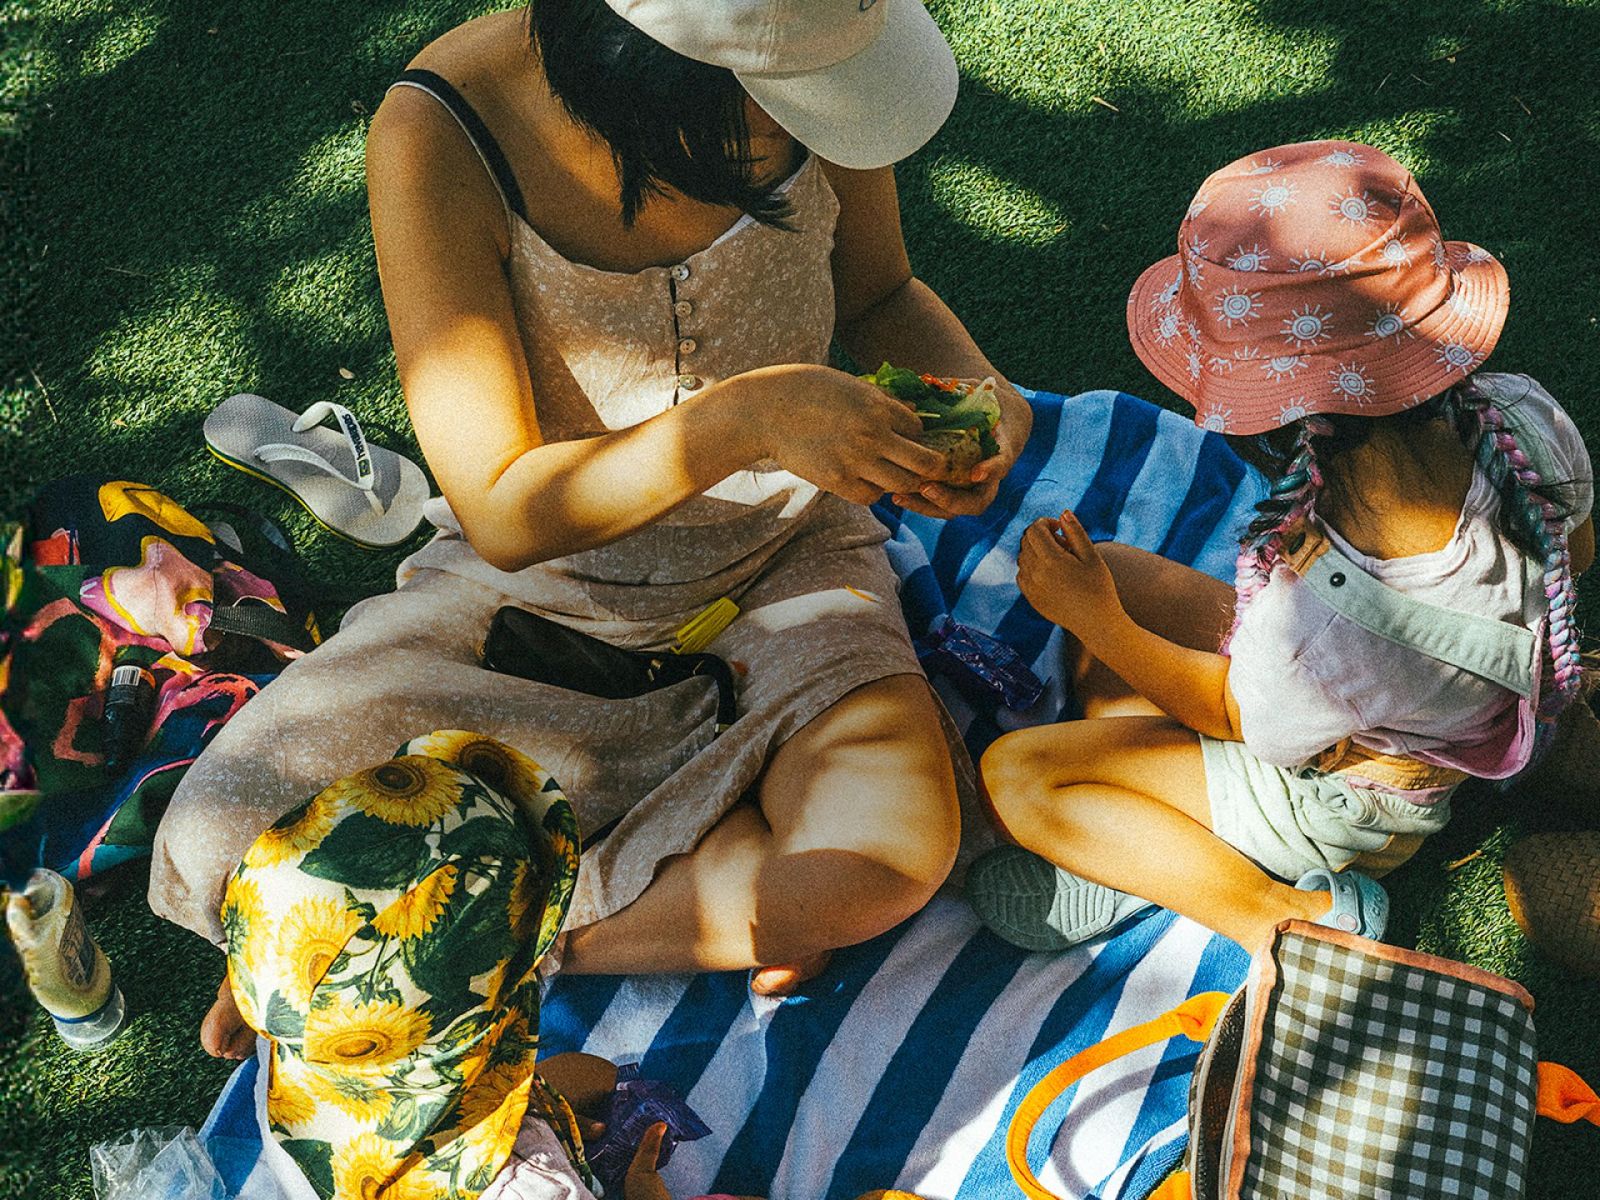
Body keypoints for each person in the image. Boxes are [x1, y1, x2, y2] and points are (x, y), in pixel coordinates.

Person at [151, 0, 1034, 1058]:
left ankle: (446, 948)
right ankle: (664, 887)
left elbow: (883, 293)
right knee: (219, 834)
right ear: (650, 91)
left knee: (881, 863)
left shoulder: (810, 66)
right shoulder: (443, 130)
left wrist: (981, 399)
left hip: (790, 562)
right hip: (538, 591)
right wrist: (740, 421)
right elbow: (507, 508)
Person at [966, 140, 1595, 954]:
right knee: (1119, 579)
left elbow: (1232, 714)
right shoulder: (1522, 416)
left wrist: (1092, 618)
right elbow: (1573, 562)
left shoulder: (1315, 615)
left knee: (1017, 776)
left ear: (1278, 405)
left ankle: (1281, 914)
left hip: (1349, 808)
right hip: (1473, 703)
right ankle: (1159, 830)